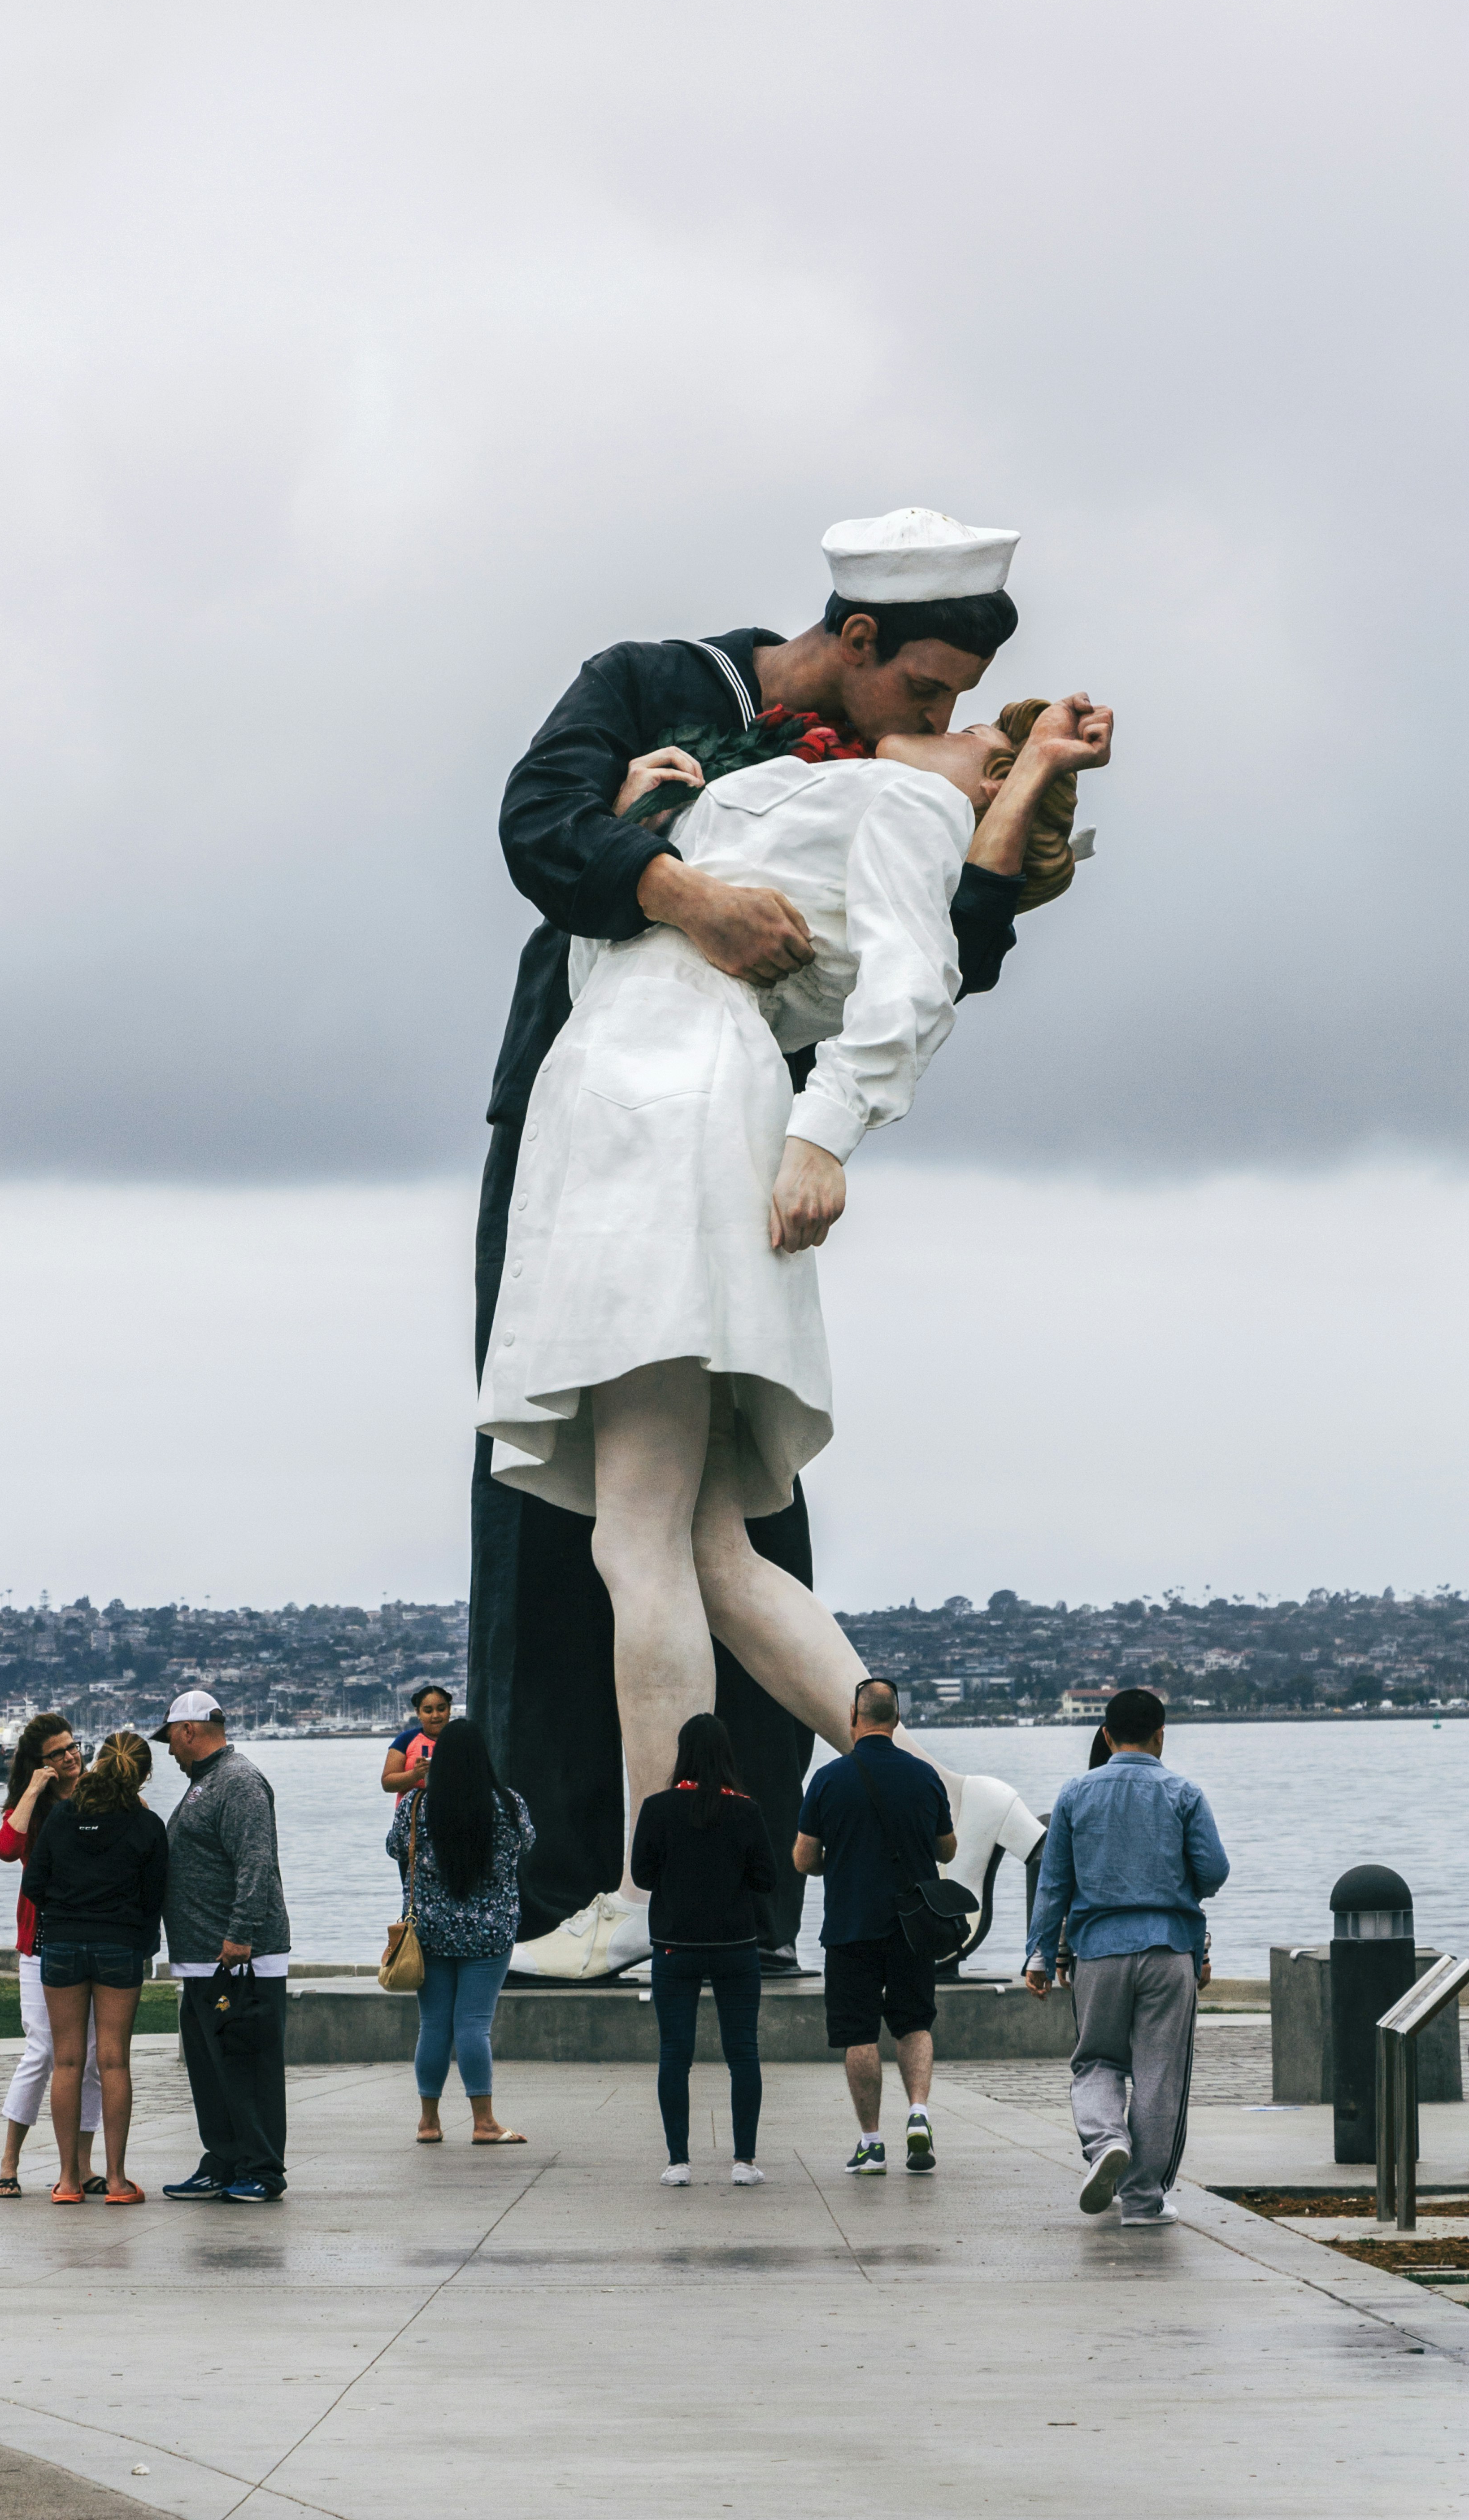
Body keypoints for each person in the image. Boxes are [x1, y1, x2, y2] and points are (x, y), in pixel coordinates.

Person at [473, 508, 1105, 1981]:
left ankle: (647, 1892)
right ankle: (956, 1803)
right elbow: (547, 830)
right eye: (930, 699)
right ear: (860, 644)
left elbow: (931, 967)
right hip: (621, 1118)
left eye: (964, 725)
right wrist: (660, 845)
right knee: (707, 1545)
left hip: (658, 1120)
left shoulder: (899, 804)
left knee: (635, 1540)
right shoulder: (685, 701)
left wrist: (824, 1138)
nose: (940, 726)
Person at [1025, 1685, 1230, 2227]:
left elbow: (1054, 1885)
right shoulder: (1184, 1793)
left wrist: (1041, 1957)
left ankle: (1106, 2141)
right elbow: (1214, 1872)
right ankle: (1143, 2202)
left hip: (1098, 1952)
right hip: (1168, 1951)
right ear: (1161, 1736)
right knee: (1161, 2075)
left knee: (1096, 2061)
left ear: (1106, 1736)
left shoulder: (1074, 1795)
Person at [792, 1677, 956, 2176]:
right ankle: (919, 2113)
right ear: (897, 1718)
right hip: (913, 1926)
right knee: (914, 2022)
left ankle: (871, 2144)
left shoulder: (828, 1779)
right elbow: (947, 1849)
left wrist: (836, 1860)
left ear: (853, 1716)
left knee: (858, 2033)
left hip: (850, 1924)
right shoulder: (925, 1776)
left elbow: (803, 1859)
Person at [156, 1689, 293, 2204]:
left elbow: (255, 1862)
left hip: (238, 1959)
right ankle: (223, 2160)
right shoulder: (206, 1783)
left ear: (189, 1729)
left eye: (169, 1736)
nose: (167, 1749)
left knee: (246, 2063)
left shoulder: (238, 1781)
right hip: (202, 1959)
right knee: (210, 2069)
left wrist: (241, 1934)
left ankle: (262, 2168)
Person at [630, 1713, 777, 2188]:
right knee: (743, 2054)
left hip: (675, 1946)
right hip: (736, 1946)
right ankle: (745, 2162)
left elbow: (642, 1877)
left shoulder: (657, 1808)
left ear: (683, 1752)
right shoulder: (748, 1811)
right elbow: (767, 1880)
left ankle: (678, 2162)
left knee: (675, 2054)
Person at [22, 1729, 167, 2205]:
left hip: (62, 1944)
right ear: (143, 1776)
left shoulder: (62, 1816)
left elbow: (35, 1883)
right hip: (119, 1946)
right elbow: (155, 1898)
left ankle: (67, 2181)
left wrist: (66, 1911)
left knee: (66, 2060)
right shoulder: (148, 1827)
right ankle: (118, 2180)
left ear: (98, 1764)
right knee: (113, 2061)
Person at [386, 1718, 533, 2145]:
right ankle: (484, 2123)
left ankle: (428, 2123)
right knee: (473, 2025)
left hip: (430, 1934)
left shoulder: (417, 1804)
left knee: (433, 2026)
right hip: (490, 1934)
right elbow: (528, 1844)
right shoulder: (508, 1804)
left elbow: (395, 1849)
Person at [0, 1712, 104, 2197]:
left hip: (93, 1937)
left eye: (73, 1746)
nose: (71, 1756)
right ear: (40, 1763)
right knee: (43, 2050)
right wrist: (34, 1790)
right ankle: (10, 2160)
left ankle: (81, 2163)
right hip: (41, 1943)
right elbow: (5, 1846)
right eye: (58, 1752)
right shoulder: (32, 1808)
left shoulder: (97, 1797)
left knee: (95, 2056)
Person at [382, 1684, 453, 1799]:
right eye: (428, 1711)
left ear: (449, 1709)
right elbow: (387, 1784)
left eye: (441, 1709)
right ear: (418, 1713)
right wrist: (415, 1775)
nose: (436, 1716)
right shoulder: (406, 1740)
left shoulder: (461, 1739)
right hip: (413, 1814)